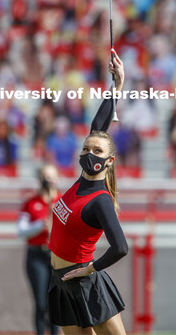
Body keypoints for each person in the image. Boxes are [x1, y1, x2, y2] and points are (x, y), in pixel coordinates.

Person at [48, 50, 128, 335]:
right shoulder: (79, 184)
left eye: (97, 151)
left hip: (84, 280)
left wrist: (90, 269)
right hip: (61, 280)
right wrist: (115, 87)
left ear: (109, 160)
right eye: (86, 149)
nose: (89, 153)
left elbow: (121, 247)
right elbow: (98, 127)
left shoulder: (101, 200)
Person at [17, 164, 60, 335]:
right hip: (36, 255)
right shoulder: (30, 203)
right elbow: (21, 231)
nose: (48, 180)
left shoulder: (63, 201)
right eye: (44, 176)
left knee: (55, 302)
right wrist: (39, 226)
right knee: (41, 302)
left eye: (51, 176)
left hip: (57, 256)